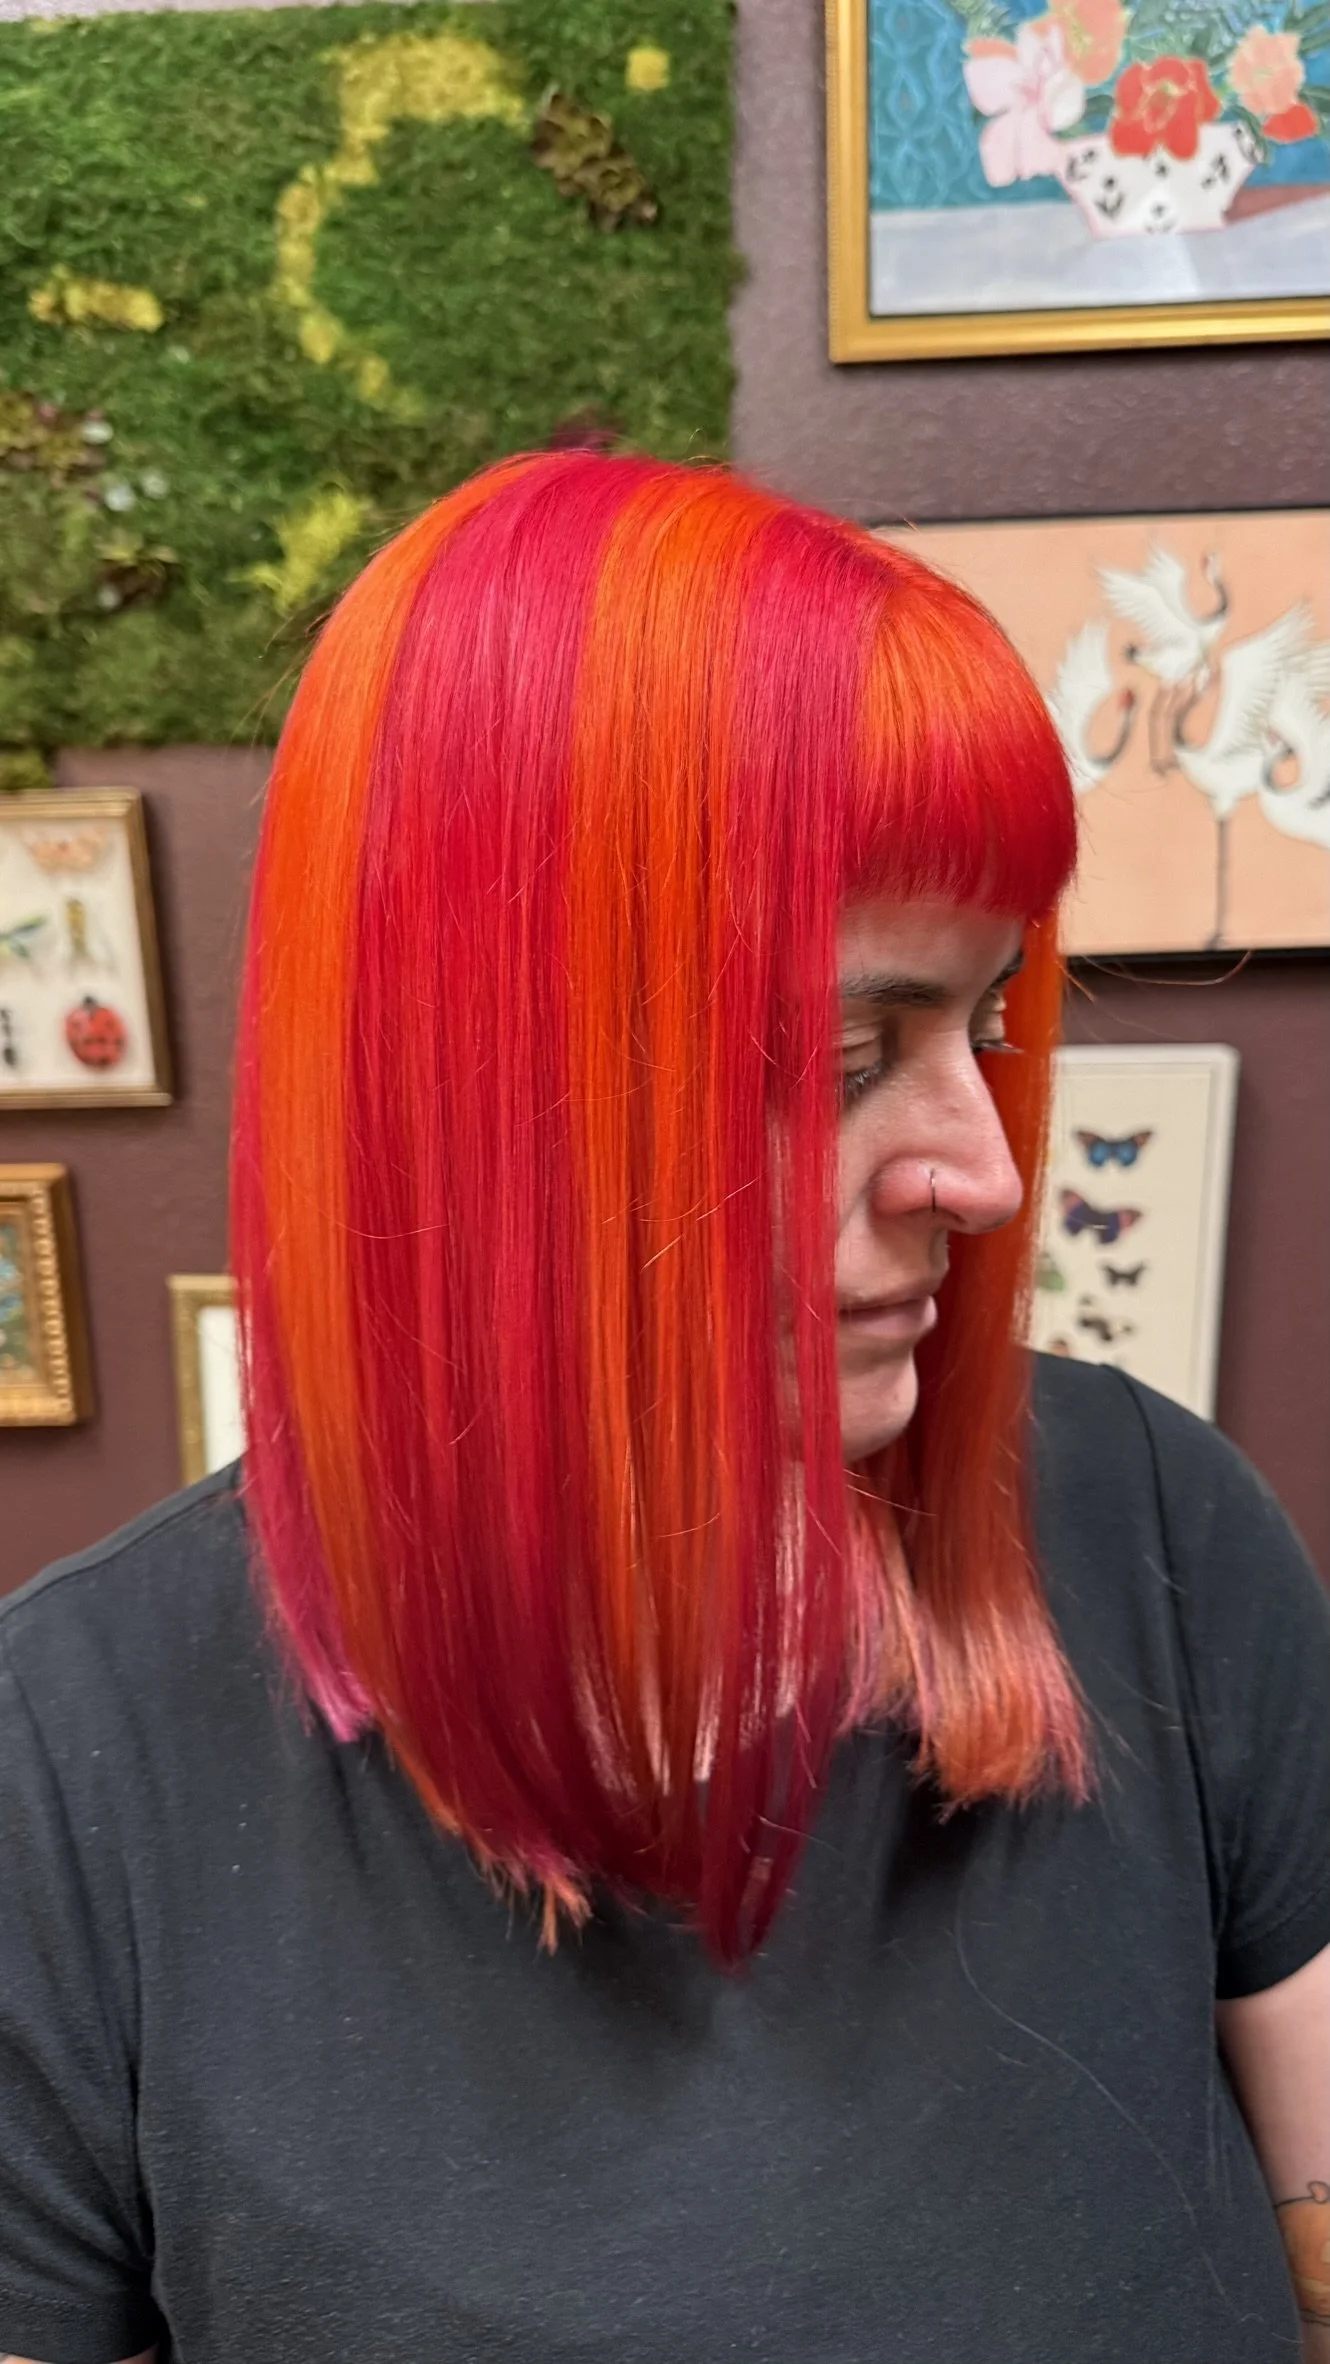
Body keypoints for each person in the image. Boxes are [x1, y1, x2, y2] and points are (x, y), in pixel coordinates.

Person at [1, 453, 1327, 2364]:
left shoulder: (1155, 1536)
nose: (980, 1170)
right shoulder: (72, 1783)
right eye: (839, 1052)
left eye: (986, 1019)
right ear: (476, 1088)